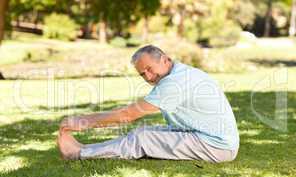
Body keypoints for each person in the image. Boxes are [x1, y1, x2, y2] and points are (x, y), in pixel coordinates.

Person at [57, 45, 239, 163]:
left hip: (217, 146)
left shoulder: (175, 83)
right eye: (143, 74)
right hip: (202, 135)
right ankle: (86, 149)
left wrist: (82, 121)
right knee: (143, 132)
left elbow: (127, 115)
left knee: (143, 139)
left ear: (165, 59)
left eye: (150, 69)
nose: (149, 77)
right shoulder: (178, 72)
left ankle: (78, 154)